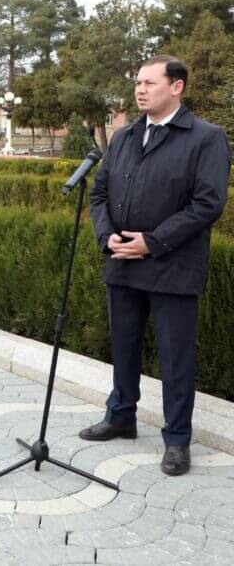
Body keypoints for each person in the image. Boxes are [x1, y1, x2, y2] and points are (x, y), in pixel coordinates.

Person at [86, 55, 231, 476]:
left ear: (177, 86)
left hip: (174, 268)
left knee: (175, 359)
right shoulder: (125, 137)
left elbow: (207, 204)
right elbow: (99, 195)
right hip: (123, 263)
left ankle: (177, 440)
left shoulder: (206, 138)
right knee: (124, 347)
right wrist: (106, 236)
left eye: (149, 82)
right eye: (137, 82)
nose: (140, 89)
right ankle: (121, 416)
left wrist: (152, 242)